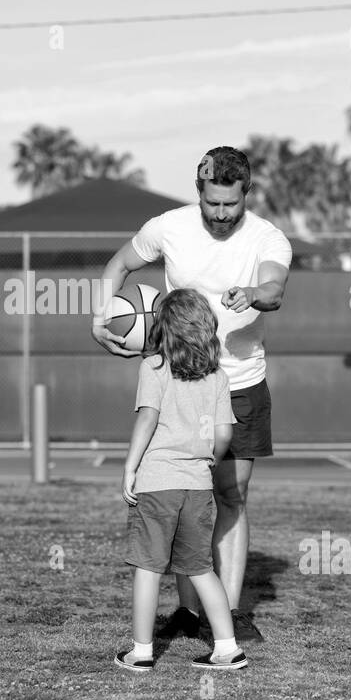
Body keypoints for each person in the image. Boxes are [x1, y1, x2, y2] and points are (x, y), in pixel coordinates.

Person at [93, 146, 291, 644]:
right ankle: (187, 611)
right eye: (212, 203)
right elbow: (117, 266)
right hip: (180, 383)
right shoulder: (169, 227)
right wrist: (99, 319)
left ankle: (228, 611)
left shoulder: (268, 238)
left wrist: (253, 295)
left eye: (231, 204)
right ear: (198, 192)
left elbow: (275, 287)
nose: (221, 215)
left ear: (246, 193)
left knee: (230, 495)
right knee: (184, 498)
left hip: (240, 383)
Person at [116, 289, 248, 672]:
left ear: (164, 328)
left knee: (148, 567)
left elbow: (147, 418)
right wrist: (208, 460)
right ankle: (227, 647)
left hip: (158, 482)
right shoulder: (218, 376)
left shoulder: (153, 366)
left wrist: (130, 466)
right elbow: (223, 436)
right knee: (201, 568)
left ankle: (141, 652)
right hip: (198, 485)